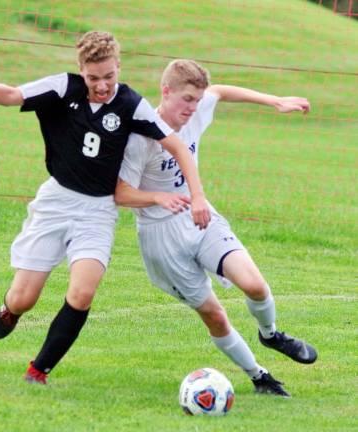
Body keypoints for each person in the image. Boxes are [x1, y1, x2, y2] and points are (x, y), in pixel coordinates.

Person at [0, 32, 211, 385]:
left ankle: (37, 371)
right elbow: (13, 95)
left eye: (109, 76)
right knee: (24, 298)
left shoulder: (132, 104)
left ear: (118, 67)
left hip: (98, 211)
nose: (102, 86)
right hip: (56, 202)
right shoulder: (63, 88)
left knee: (83, 292)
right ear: (81, 72)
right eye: (93, 78)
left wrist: (197, 197)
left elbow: (179, 148)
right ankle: (9, 309)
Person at [115, 59, 317, 397]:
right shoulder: (141, 136)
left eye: (197, 100)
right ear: (165, 92)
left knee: (254, 284)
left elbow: (221, 92)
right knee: (215, 315)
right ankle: (259, 377)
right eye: (187, 100)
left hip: (200, 217)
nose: (194, 108)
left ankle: (270, 334)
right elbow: (120, 193)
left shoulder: (198, 107)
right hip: (161, 238)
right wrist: (158, 197)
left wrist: (275, 100)